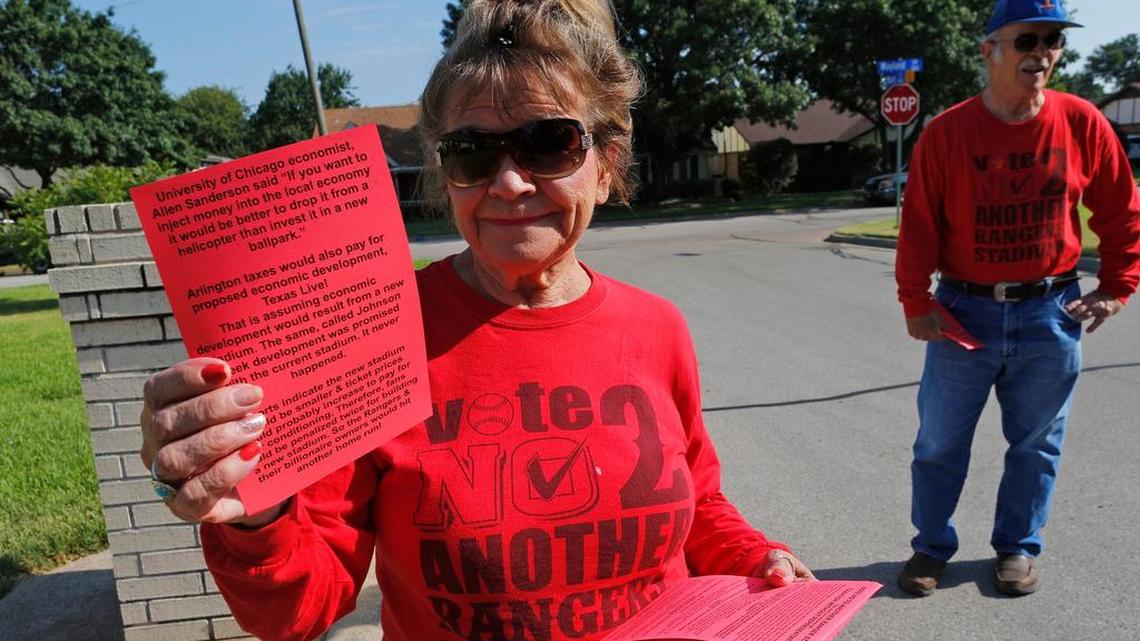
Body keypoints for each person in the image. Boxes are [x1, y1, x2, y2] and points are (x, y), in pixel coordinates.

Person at [138, 1, 815, 639]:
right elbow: (297, 608)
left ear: (606, 164)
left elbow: (699, 505)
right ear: (445, 173)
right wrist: (258, 509)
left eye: (550, 143)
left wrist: (759, 558)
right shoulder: (373, 335)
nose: (510, 182)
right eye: (473, 152)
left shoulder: (658, 328)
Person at [894, 0, 1140, 598]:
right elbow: (920, 224)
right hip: (963, 313)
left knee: (1037, 444)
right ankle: (931, 547)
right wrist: (915, 301)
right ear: (990, 51)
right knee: (939, 441)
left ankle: (1017, 547)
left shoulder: (1082, 121)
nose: (1043, 53)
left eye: (1053, 42)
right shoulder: (947, 133)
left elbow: (1120, 212)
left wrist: (1115, 289)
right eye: (1028, 39)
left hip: (1051, 312)